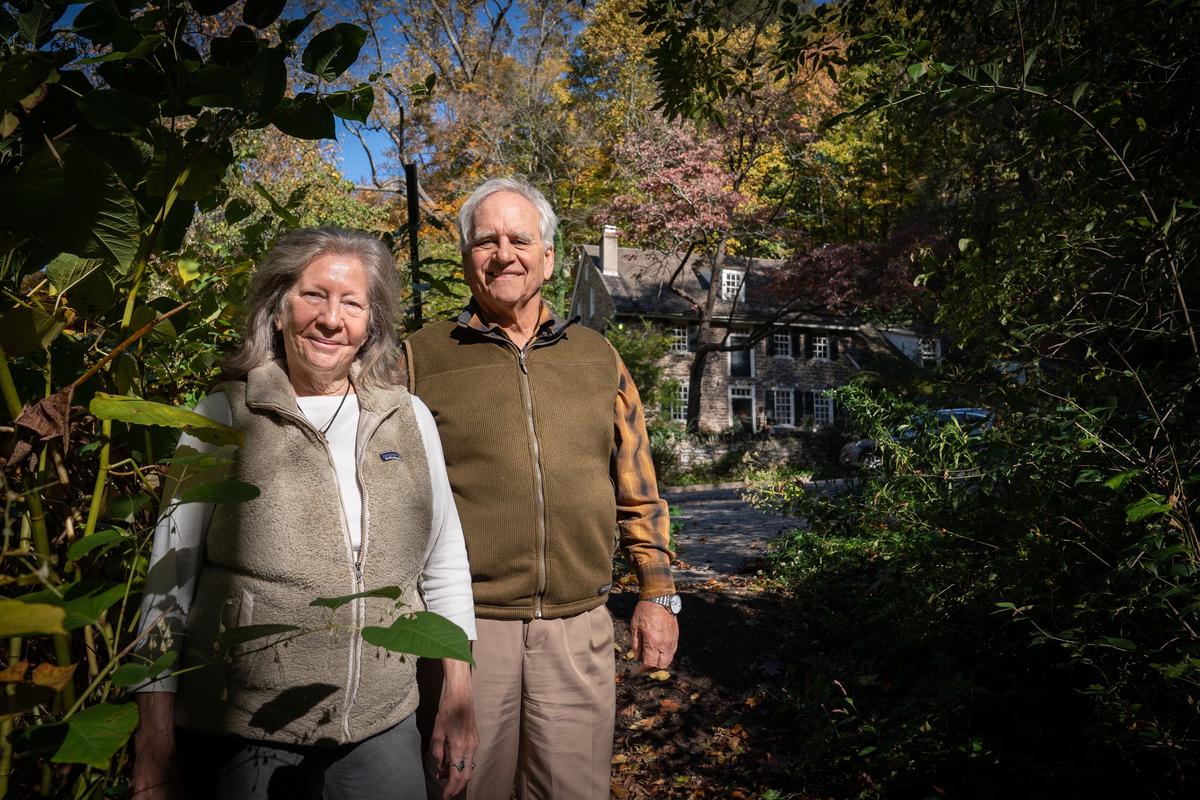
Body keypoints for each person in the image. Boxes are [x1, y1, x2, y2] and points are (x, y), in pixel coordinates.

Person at [131, 227, 478, 800]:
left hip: (383, 723)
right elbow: (169, 583)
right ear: (277, 309)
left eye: (352, 304)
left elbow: (444, 564)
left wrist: (457, 699)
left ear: (372, 323)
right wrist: (153, 737)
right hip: (245, 730)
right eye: (314, 295)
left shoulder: (407, 418)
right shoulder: (222, 416)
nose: (331, 319)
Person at [404, 178, 681, 799]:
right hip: (465, 632)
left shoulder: (597, 357)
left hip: (578, 630)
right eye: (486, 241)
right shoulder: (420, 359)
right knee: (460, 791)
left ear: (548, 258)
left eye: (520, 239)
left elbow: (637, 484)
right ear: (466, 257)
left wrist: (657, 592)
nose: (503, 254)